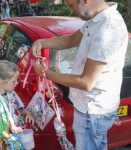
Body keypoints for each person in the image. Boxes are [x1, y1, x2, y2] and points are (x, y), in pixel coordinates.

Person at [30, 0, 128, 150]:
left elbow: (86, 82)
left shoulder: (107, 28)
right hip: (91, 109)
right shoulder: (96, 19)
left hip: (92, 111)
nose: (70, 11)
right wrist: (41, 42)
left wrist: (45, 73)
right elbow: (70, 40)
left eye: (71, 5)